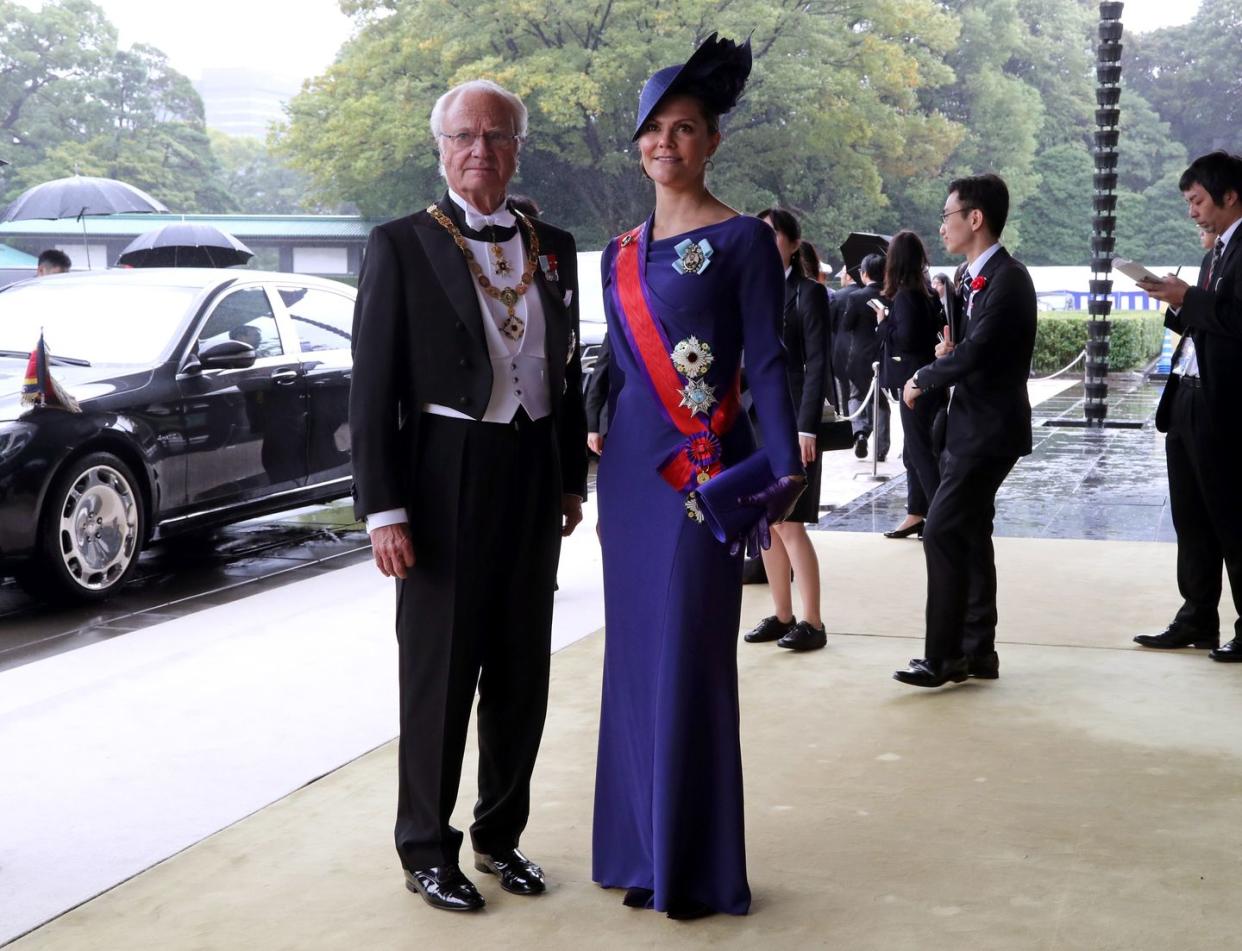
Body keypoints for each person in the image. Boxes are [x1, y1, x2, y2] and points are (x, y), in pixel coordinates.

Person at [349, 78, 587, 912]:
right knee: (440, 670)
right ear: (441, 147)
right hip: (443, 466)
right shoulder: (401, 243)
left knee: (522, 666)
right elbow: (371, 388)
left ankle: (500, 835)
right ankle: (425, 847)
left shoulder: (551, 242)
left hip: (531, 465)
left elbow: (567, 367)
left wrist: (567, 475)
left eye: (497, 135)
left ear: (518, 146)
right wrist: (383, 509)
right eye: (464, 136)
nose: (480, 149)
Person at [591, 33, 804, 919]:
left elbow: (770, 359)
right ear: (638, 143)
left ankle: (695, 863)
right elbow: (611, 368)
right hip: (631, 480)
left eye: (685, 129)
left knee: (691, 656)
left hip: (699, 479)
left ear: (712, 141)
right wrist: (584, 447)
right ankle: (641, 851)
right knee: (636, 660)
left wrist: (782, 464)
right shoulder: (614, 253)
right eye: (653, 130)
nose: (666, 145)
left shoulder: (746, 239)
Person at [892, 173, 1036, 688]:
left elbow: (982, 353)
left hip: (989, 431)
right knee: (971, 533)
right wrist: (945, 355)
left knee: (943, 530)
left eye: (948, 215)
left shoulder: (1009, 278)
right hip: (968, 427)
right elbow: (970, 349)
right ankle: (978, 651)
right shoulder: (968, 277)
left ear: (975, 219)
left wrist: (923, 377)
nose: (943, 225)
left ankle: (945, 655)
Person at [1134, 151, 1242, 659]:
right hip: (1189, 396)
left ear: (1230, 195)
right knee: (1191, 515)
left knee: (1231, 516)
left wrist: (1188, 299)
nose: (1192, 211)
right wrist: (1176, 300)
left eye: (1197, 200)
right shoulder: (1215, 252)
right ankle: (1197, 613)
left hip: (1226, 403)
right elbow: (1210, 320)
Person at [742, 208, 827, 651]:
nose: (764, 242)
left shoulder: (809, 294)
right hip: (756, 418)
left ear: (794, 243)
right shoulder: (750, 291)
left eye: (771, 235)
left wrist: (807, 427)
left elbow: (817, 366)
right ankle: (782, 614)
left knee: (790, 523)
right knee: (765, 522)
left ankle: (812, 621)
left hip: (793, 422)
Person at [877, 231, 944, 539]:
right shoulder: (928, 293)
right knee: (916, 449)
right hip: (931, 377)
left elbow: (905, 339)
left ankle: (939, 515)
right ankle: (917, 513)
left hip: (914, 382)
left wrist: (883, 323)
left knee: (919, 451)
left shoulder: (905, 296)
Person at [841, 252, 889, 460]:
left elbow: (846, 325)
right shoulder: (891, 295)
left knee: (856, 396)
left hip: (859, 356)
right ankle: (881, 448)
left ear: (865, 273)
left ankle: (860, 432)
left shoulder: (856, 297)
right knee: (881, 402)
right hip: (884, 354)